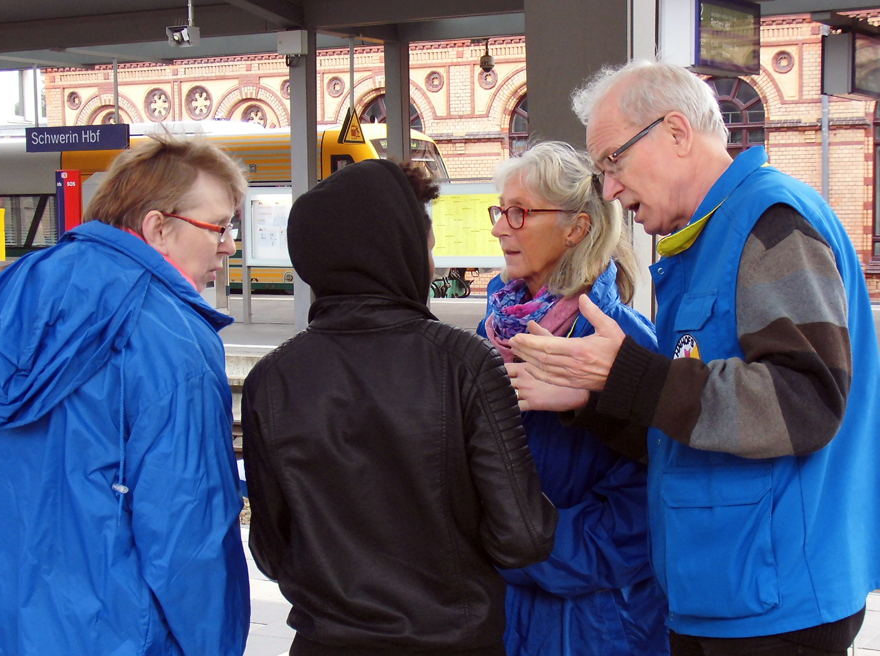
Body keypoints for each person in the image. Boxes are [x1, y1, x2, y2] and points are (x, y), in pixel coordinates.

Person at [508, 60, 880, 655]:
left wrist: (627, 372)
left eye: (613, 162)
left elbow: (806, 403)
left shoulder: (769, 222)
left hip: (775, 609)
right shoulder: (705, 241)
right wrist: (597, 397)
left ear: (677, 133)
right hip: (726, 596)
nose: (608, 189)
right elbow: (687, 425)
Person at [0, 136, 251, 656]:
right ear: (158, 228)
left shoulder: (6, 291)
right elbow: (188, 538)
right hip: (108, 634)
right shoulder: (177, 340)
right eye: (220, 227)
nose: (228, 245)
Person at [242, 159, 558, 656]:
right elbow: (522, 537)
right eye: (426, 248)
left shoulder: (270, 380)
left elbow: (269, 550)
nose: (430, 265)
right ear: (400, 252)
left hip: (324, 644)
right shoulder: (465, 364)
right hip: (453, 643)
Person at [478, 141, 668, 656]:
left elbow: (646, 506)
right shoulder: (489, 332)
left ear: (576, 228)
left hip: (594, 621)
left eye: (518, 213)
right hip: (500, 609)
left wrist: (527, 546)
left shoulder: (623, 341)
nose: (499, 227)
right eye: (499, 211)